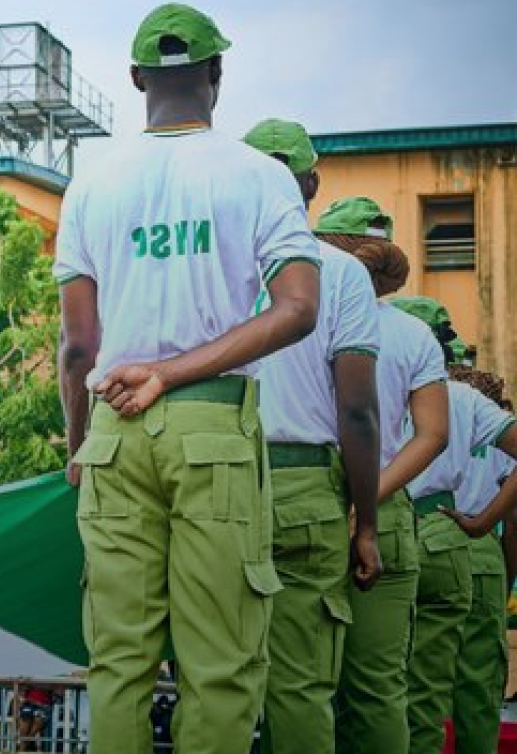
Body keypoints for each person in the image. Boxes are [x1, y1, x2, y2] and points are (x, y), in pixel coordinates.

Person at [53, 6, 320, 752]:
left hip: (111, 434)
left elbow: (79, 347)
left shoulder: (90, 188)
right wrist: (170, 375)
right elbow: (298, 309)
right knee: (222, 664)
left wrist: (80, 445)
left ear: (137, 78)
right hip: (211, 430)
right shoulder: (261, 178)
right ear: (216, 75)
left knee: (118, 662)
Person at [241, 119, 382, 754]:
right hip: (304, 492)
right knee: (300, 687)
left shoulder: (217, 263)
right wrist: (368, 523)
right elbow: (357, 409)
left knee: (216, 679)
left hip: (214, 480)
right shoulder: (342, 272)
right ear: (313, 184)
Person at [315, 199, 450, 754]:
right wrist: (371, 498)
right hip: (389, 517)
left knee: (301, 686)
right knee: (378, 690)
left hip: (306, 499)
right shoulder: (414, 335)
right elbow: (432, 434)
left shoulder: (296, 319)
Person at [393, 298, 517, 754]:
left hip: (383, 519)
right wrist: (484, 524)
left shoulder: (372, 382)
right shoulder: (467, 401)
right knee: (460, 681)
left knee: (379, 679)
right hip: (456, 535)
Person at [442, 366, 516, 754]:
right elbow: (514, 516)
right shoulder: (490, 422)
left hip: (425, 529)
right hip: (483, 550)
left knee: (418, 679)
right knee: (479, 682)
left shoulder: (414, 405)